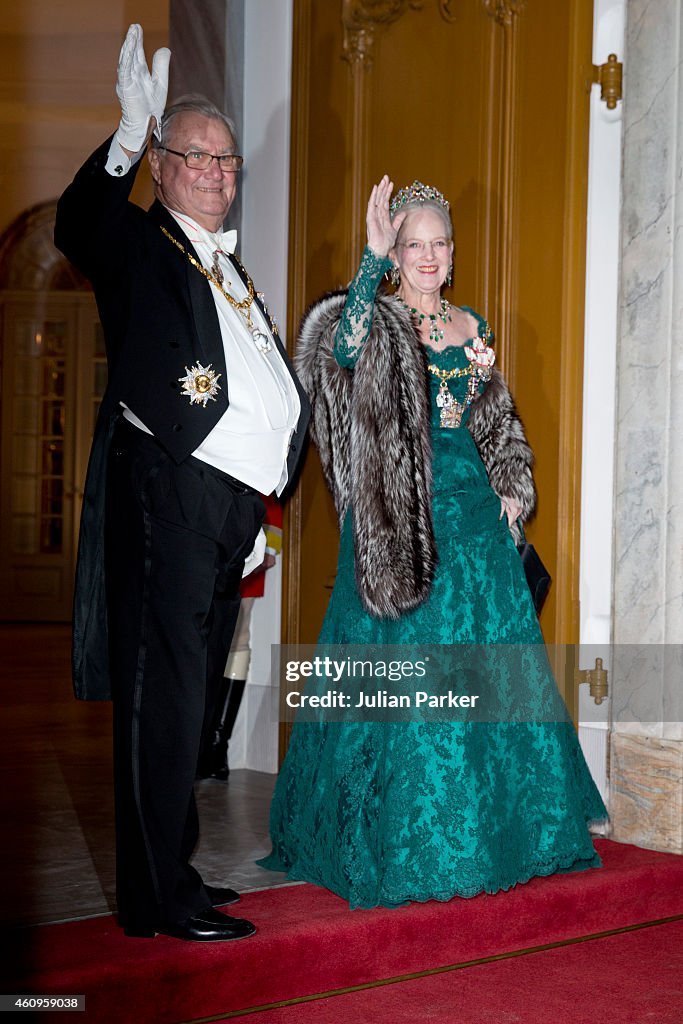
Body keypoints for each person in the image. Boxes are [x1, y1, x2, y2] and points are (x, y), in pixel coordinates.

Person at [257, 177, 606, 909]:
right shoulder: (376, 320)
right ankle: (410, 840)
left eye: (436, 243)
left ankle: (503, 832)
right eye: (411, 244)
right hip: (400, 517)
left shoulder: (468, 325)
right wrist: (367, 258)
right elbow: (340, 353)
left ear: (451, 254)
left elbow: (490, 414)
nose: (426, 255)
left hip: (473, 516)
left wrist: (510, 480)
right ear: (396, 253)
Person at [54, 24, 309, 941]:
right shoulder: (138, 248)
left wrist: (266, 491)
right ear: (161, 167)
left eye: (224, 158)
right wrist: (124, 137)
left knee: (194, 702)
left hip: (228, 509)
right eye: (192, 154)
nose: (212, 168)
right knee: (161, 699)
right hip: (170, 496)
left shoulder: (227, 265)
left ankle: (178, 873)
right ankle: (155, 900)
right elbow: (76, 223)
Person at [198, 494, 283, 781]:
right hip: (202, 552)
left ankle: (217, 746)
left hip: (246, 552)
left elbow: (270, 489)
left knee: (238, 640)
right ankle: (198, 746)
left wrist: (270, 545)